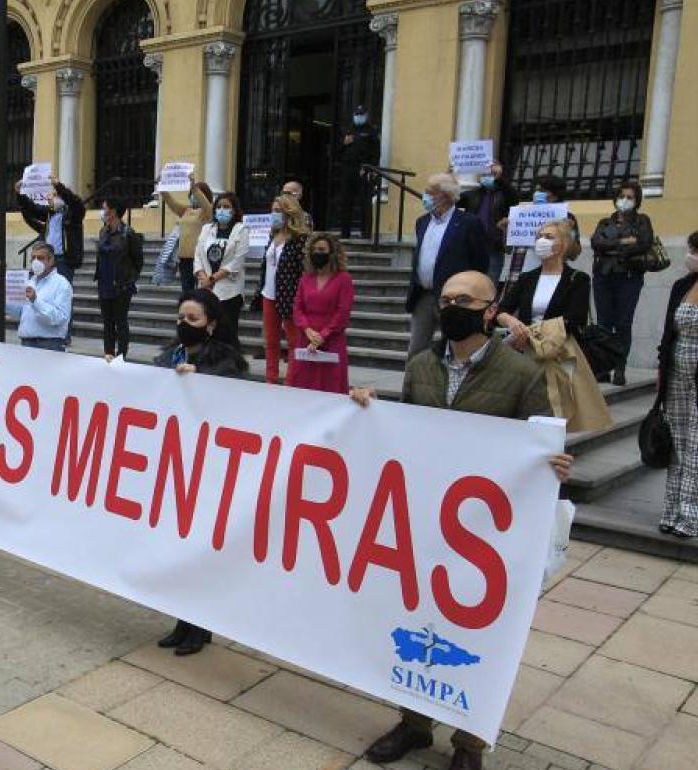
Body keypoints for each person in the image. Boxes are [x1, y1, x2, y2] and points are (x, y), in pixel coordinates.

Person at [351, 270, 573, 770]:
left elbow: (539, 445)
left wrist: (554, 465)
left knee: (478, 636)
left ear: (490, 310)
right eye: (445, 298)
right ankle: (413, 723)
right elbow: (405, 434)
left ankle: (469, 744)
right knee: (414, 621)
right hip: (427, 518)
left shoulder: (523, 374)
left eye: (463, 300)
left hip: (485, 532)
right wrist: (368, 413)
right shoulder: (421, 366)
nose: (450, 306)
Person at [152, 288, 246, 656]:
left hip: (207, 468)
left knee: (199, 547)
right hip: (174, 463)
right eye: (180, 318)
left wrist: (201, 380)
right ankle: (181, 621)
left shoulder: (227, 364)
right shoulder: (166, 358)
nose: (184, 325)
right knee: (176, 544)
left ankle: (199, 625)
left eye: (192, 319)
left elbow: (232, 408)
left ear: (211, 325)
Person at [496, 220, 608, 432]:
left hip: (559, 353)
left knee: (558, 411)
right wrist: (511, 321)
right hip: (524, 351)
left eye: (549, 237)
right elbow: (501, 311)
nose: (542, 241)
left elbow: (574, 319)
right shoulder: (528, 278)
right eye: (539, 236)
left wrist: (531, 331)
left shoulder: (578, 279)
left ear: (563, 244)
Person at [406, 173, 491, 358]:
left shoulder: (468, 223)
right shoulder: (422, 222)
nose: (425, 196)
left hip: (454, 298)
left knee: (454, 347)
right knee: (416, 349)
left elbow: (481, 261)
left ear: (445, 195)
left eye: (430, 192)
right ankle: (413, 386)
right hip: (424, 295)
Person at [591, 180, 654, 386]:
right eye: (622, 196)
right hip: (603, 276)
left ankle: (619, 367)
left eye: (630, 197)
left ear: (637, 201)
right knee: (603, 323)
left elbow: (643, 243)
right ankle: (602, 368)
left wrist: (612, 246)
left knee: (623, 323)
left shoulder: (642, 221)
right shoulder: (605, 222)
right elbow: (596, 242)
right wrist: (623, 242)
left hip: (628, 277)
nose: (624, 200)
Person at [656, 232, 698, 539]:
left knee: (695, 445)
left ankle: (691, 514)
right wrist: (661, 368)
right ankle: (672, 510)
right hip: (676, 373)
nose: (691, 255)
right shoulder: (682, 285)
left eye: (695, 250)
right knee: (677, 441)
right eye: (691, 249)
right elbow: (668, 333)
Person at [290, 235, 355, 394]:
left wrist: (322, 336)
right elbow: (297, 308)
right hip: (306, 341)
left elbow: (342, 312)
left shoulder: (344, 279)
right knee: (301, 385)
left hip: (331, 341)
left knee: (330, 386)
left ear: (332, 253)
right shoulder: (306, 278)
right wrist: (307, 330)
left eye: (321, 250)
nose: (317, 253)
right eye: (314, 250)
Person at [261, 194, 310, 384]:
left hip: (290, 296)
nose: (274, 214)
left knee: (293, 342)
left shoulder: (300, 239)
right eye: (273, 210)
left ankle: (291, 382)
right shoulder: (272, 235)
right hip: (269, 294)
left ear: (289, 212)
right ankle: (270, 379)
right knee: (271, 342)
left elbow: (303, 271)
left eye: (278, 211)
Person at [195, 192, 249, 350]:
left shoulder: (241, 230)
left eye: (226, 207)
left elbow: (236, 262)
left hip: (230, 292)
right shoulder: (206, 229)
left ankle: (230, 368)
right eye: (219, 207)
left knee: (227, 334)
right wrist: (203, 277)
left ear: (234, 210)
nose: (222, 210)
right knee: (206, 332)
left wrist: (211, 279)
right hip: (206, 290)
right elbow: (198, 255)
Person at [94, 197, 144, 361]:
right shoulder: (103, 231)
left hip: (122, 285)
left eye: (105, 207)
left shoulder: (128, 233)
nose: (103, 210)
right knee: (107, 322)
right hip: (104, 282)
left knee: (120, 321)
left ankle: (122, 355)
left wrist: (130, 280)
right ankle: (108, 353)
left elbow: (138, 261)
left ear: (113, 211)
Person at [457, 159, 518, 285]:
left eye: (491, 174)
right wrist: (450, 175)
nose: (488, 177)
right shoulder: (471, 194)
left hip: (493, 245)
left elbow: (513, 198)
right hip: (471, 245)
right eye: (485, 174)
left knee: (489, 283)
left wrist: (498, 177)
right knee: (468, 283)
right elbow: (452, 199)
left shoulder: (506, 194)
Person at [17, 175, 86, 284]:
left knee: (61, 291)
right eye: (53, 195)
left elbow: (75, 202)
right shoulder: (50, 213)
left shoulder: (74, 214)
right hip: (48, 259)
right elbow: (33, 209)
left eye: (56, 195)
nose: (52, 197)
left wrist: (58, 186)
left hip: (64, 260)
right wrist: (21, 194)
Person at [10, 242, 73, 352]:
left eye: (40, 258)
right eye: (33, 258)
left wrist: (35, 301)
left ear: (51, 260)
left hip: (48, 345)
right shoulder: (30, 282)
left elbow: (59, 318)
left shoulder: (61, 284)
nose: (35, 262)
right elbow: (20, 312)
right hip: (26, 343)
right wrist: (6, 298)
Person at [160, 173, 214, 292]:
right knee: (187, 291)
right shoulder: (186, 210)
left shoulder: (207, 212)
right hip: (184, 259)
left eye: (196, 193)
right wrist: (162, 187)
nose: (193, 196)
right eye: (191, 193)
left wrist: (195, 188)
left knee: (201, 291)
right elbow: (172, 203)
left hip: (200, 259)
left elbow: (207, 206)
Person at [338, 105, 380, 239]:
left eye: (361, 114)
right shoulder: (348, 130)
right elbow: (338, 152)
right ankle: (345, 233)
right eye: (357, 114)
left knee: (365, 203)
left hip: (364, 170)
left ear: (366, 115)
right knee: (346, 202)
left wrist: (372, 169)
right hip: (348, 170)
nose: (358, 116)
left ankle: (366, 234)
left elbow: (376, 152)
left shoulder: (371, 131)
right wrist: (344, 143)